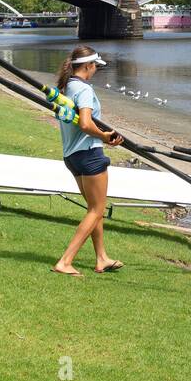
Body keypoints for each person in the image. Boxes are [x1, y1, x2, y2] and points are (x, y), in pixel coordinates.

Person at [52, 45, 125, 276]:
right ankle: (65, 261)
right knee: (96, 209)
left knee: (95, 209)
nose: (95, 71)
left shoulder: (66, 87)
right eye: (95, 67)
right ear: (87, 66)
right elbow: (84, 123)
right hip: (89, 154)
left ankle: (101, 258)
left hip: (72, 156)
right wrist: (104, 136)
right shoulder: (83, 90)